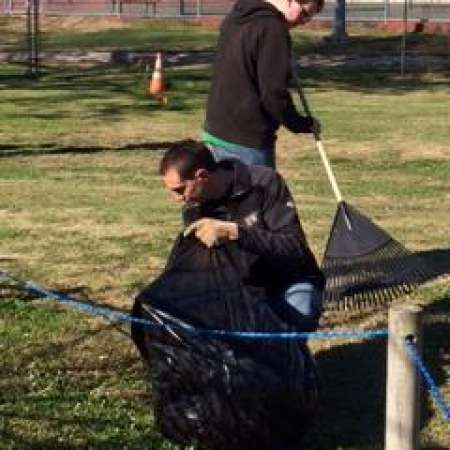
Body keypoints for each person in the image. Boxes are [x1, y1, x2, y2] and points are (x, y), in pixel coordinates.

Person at [159, 139, 325, 331]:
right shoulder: (194, 211)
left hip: (289, 280)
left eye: (180, 190)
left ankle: (292, 355)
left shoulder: (263, 182)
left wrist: (236, 233)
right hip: (245, 290)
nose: (177, 199)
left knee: (300, 308)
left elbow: (295, 247)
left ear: (202, 176)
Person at [201, 0, 324, 168]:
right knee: (257, 194)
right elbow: (273, 94)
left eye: (309, 17)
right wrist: (301, 123)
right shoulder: (273, 30)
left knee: (222, 193)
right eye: (304, 13)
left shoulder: (237, 17)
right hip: (247, 142)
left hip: (215, 131)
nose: (303, 21)